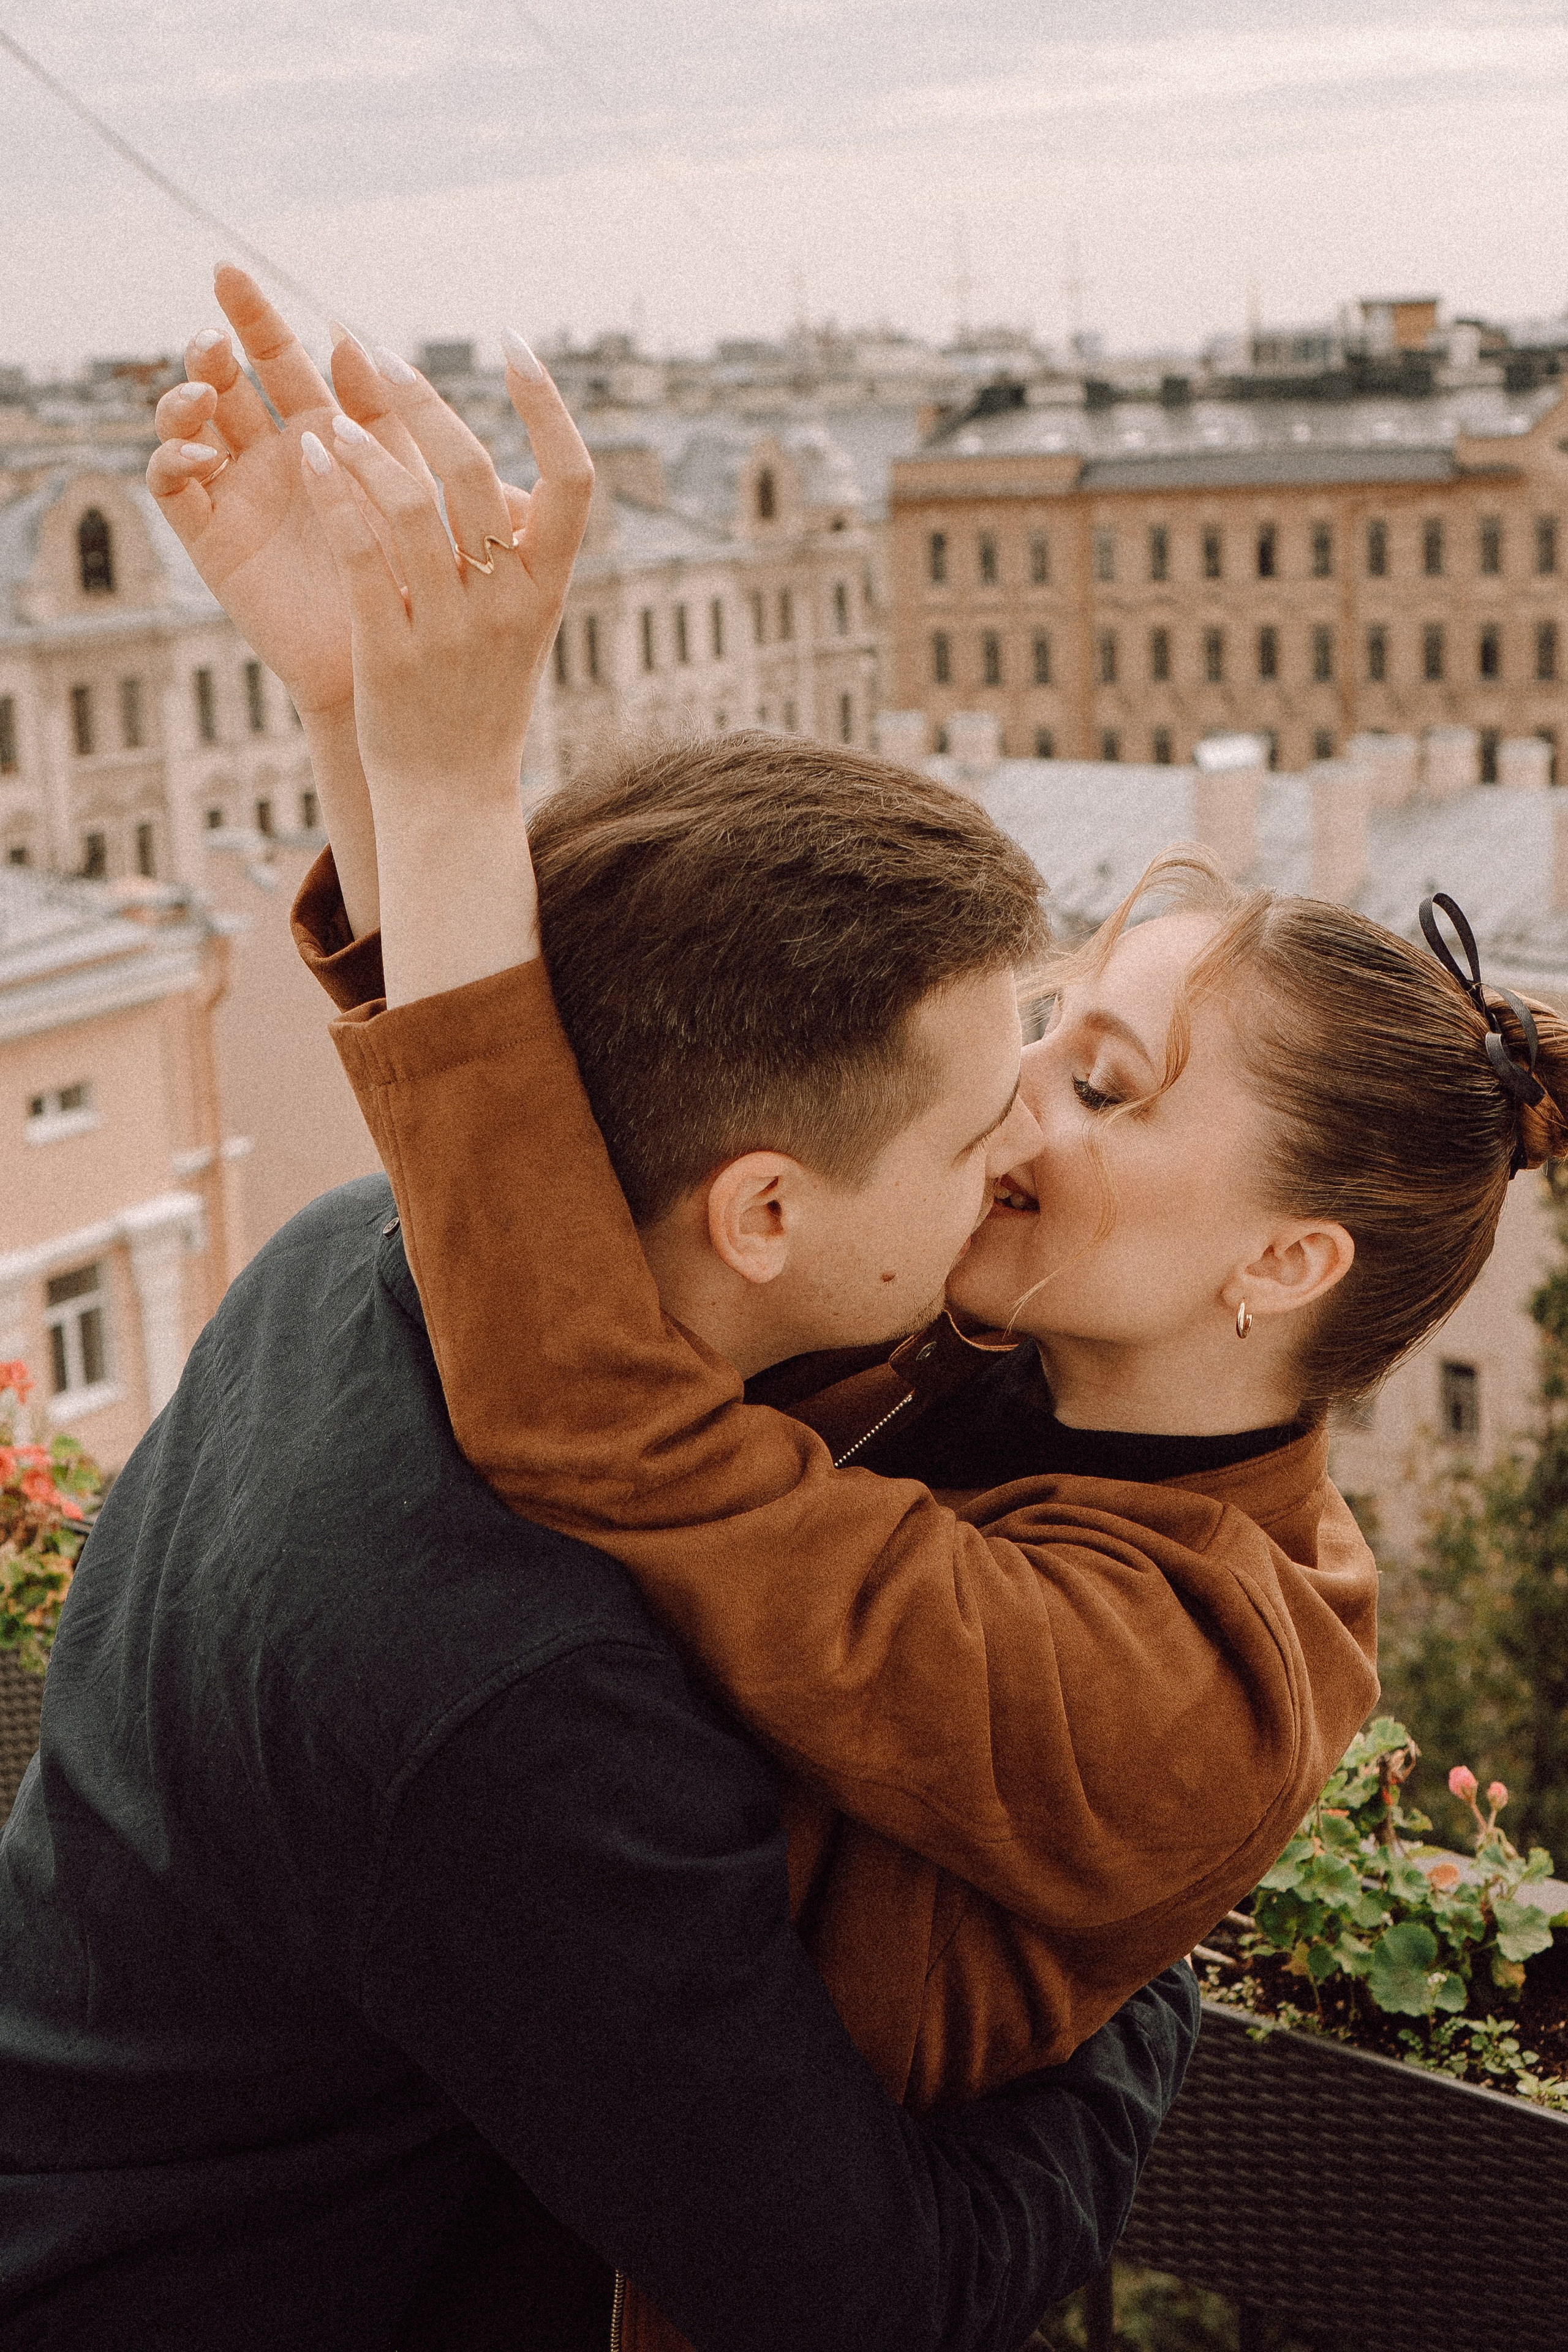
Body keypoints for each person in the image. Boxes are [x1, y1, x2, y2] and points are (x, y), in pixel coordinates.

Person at [276, 314, 1564, 2351]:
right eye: (1054, 1037)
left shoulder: (1195, 1667)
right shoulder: (987, 1373)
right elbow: (589, 1210)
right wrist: (361, 717)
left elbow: (600, 1414)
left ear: (1282, 1267)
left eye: (1110, 1086)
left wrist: (440, 776)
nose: (1016, 1108)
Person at [0, 273, 1199, 2352]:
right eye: (979, 1129)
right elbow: (870, 2297)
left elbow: (504, 1121)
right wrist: (1153, 1916)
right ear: (761, 1212)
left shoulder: (332, 1272)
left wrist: (379, 736)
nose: (1024, 1155)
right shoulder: (516, 1688)